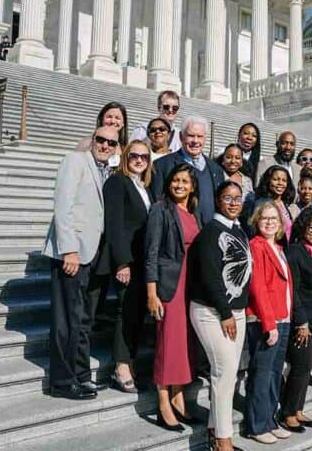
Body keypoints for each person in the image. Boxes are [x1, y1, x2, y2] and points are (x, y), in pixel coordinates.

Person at [43, 126, 118, 400]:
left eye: (111, 142)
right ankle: (62, 382)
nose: (105, 145)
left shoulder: (103, 169)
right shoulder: (75, 160)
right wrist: (69, 250)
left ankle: (80, 375)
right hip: (72, 254)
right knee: (66, 320)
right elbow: (63, 206)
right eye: (101, 140)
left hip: (91, 255)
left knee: (81, 319)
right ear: (92, 140)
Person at [188, 181, 252, 450]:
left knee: (227, 374)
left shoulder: (238, 231)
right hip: (212, 312)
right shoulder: (210, 233)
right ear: (217, 200)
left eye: (238, 199)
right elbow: (211, 277)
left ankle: (216, 431)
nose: (234, 203)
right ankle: (224, 440)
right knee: (224, 373)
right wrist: (226, 312)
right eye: (228, 198)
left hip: (235, 312)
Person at [145, 163, 201, 431]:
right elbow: (151, 253)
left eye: (185, 181)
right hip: (170, 287)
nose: (179, 185)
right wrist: (152, 292)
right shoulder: (160, 209)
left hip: (191, 287)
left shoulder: (193, 212)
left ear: (192, 186)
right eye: (175, 180)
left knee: (184, 344)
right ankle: (163, 402)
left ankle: (179, 398)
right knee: (168, 344)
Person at [97, 141, 152, 394]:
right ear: (125, 156)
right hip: (127, 261)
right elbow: (114, 224)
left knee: (136, 313)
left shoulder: (142, 186)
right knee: (125, 312)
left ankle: (129, 360)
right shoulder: (118, 182)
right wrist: (121, 262)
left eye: (144, 156)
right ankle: (120, 367)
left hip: (142, 262)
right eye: (134, 155)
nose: (139, 160)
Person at [245, 202, 294, 444]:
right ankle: (256, 424)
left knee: (275, 372)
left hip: (283, 317)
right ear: (257, 221)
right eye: (264, 218)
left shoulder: (278, 247)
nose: (269, 221)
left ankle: (270, 419)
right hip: (266, 319)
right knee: (262, 373)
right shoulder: (256, 246)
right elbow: (258, 287)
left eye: (274, 218)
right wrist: (269, 322)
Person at [281, 207, 312, 431]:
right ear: (302, 226)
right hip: (302, 321)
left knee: (307, 367)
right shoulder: (295, 251)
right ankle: (288, 413)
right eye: (311, 227)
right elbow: (294, 290)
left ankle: (299, 409)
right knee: (300, 366)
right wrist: (301, 322)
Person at [151, 117, 225, 224]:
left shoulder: (215, 169)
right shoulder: (162, 165)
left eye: (199, 136)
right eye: (190, 135)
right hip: (177, 234)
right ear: (181, 137)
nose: (195, 141)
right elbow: (157, 204)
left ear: (205, 139)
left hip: (208, 234)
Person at [255, 165, 300, 242]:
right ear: (268, 181)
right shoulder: (261, 204)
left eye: (284, 180)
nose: (280, 183)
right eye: (276, 179)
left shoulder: (284, 203)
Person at [218, 143, 255, 226]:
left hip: (245, 225)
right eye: (229, 157)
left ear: (242, 162)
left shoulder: (247, 180)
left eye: (237, 158)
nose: (233, 161)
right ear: (223, 161)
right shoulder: (218, 177)